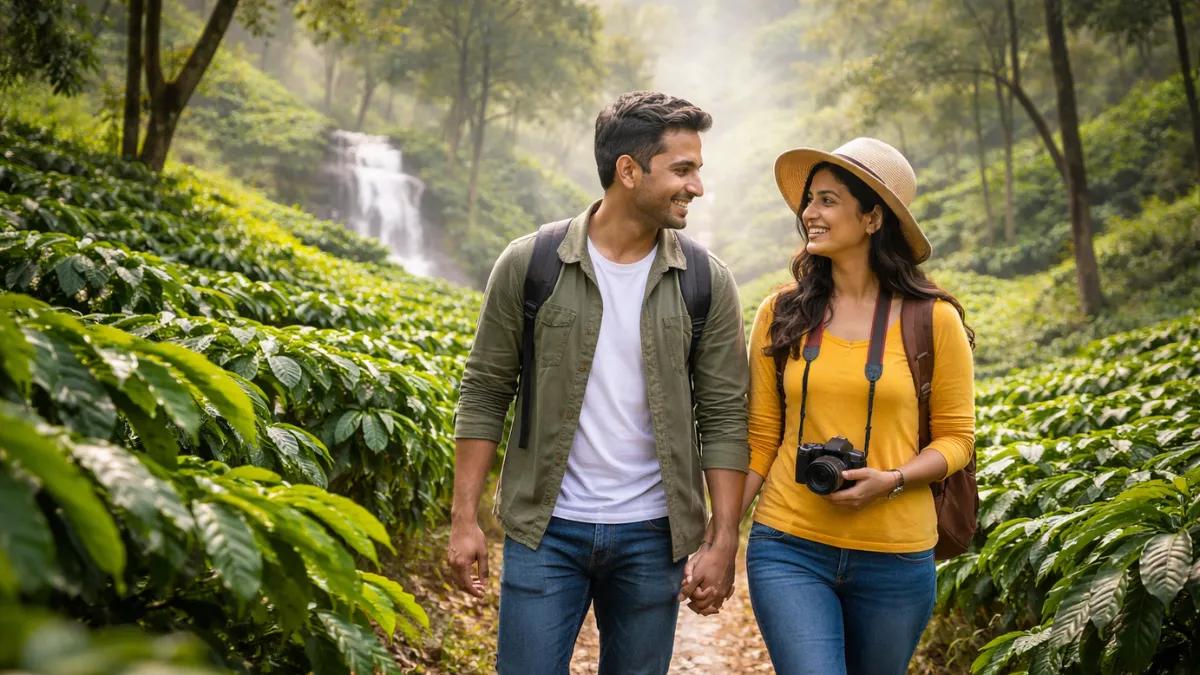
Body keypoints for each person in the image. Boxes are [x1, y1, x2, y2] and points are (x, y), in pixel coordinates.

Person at [447, 90, 750, 675]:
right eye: (682, 170)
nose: (697, 187)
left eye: (698, 170)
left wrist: (723, 537)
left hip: (653, 535)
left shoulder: (707, 282)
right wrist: (464, 519)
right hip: (545, 530)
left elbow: (724, 415)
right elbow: (484, 391)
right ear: (628, 171)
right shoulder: (528, 263)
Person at [700, 137, 976, 674]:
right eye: (809, 201)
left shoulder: (933, 319)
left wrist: (892, 478)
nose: (809, 214)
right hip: (790, 544)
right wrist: (722, 534)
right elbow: (761, 437)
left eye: (827, 200)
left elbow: (957, 439)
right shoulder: (780, 312)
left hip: (896, 556)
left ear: (873, 217)